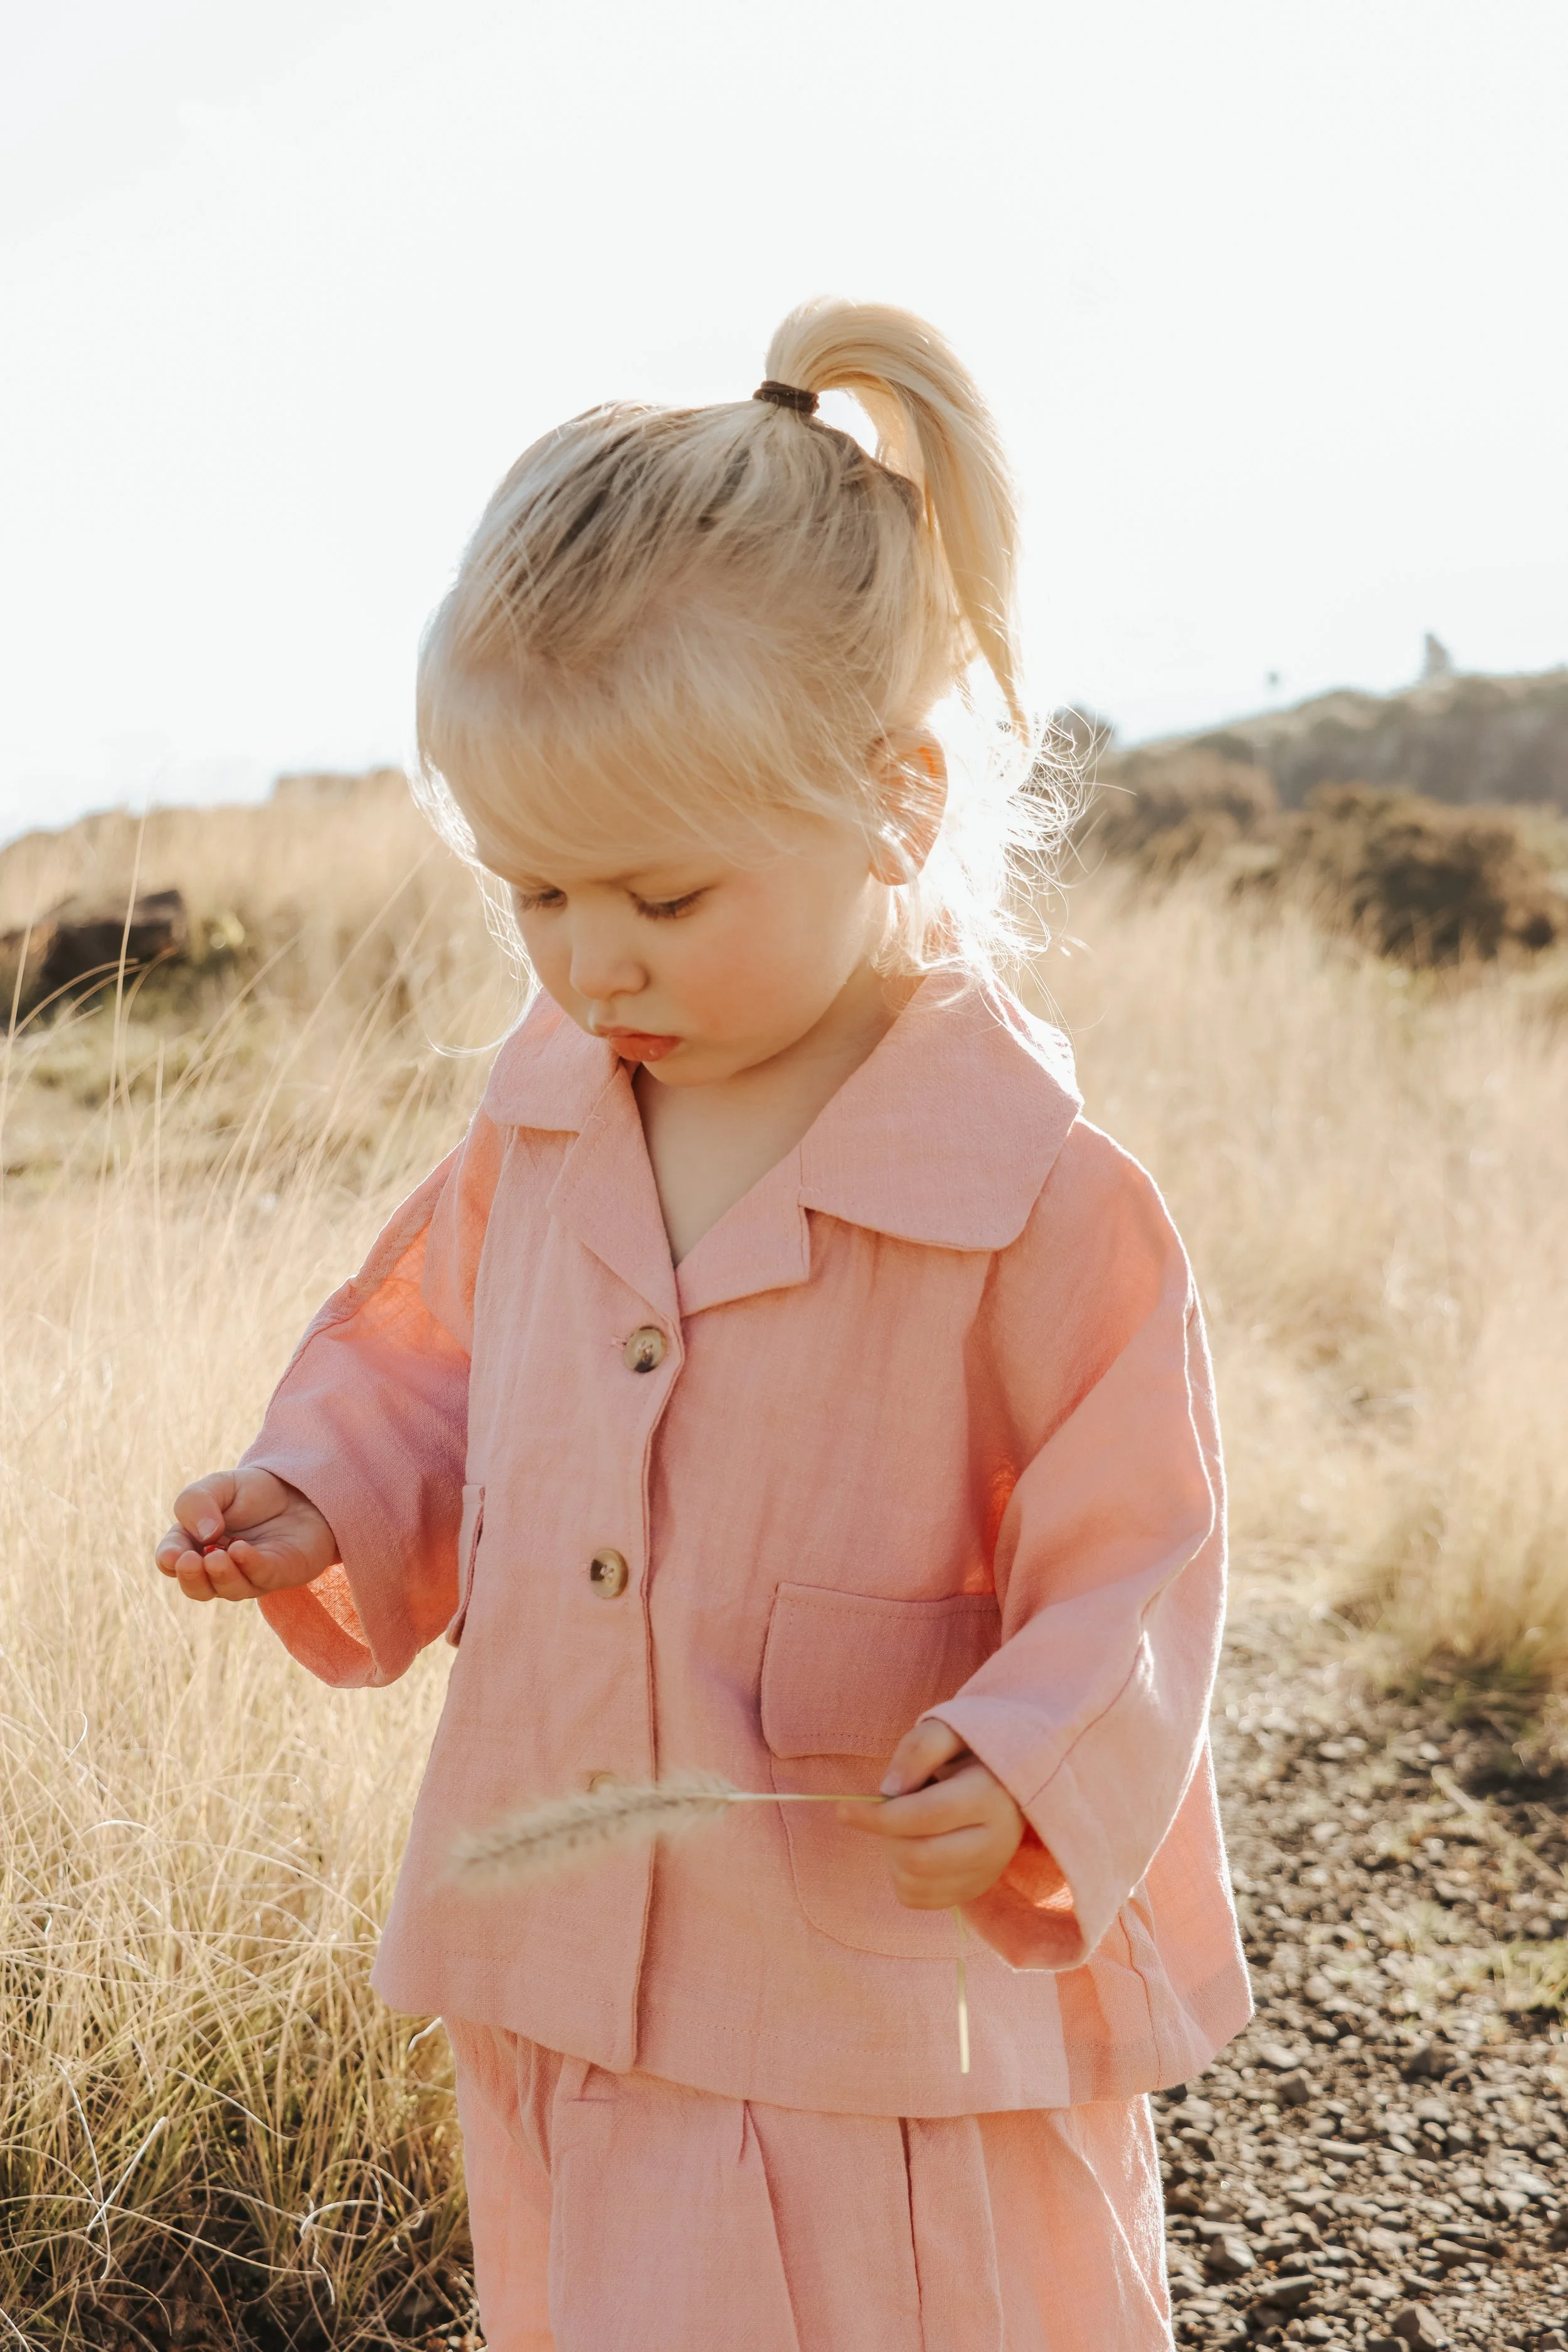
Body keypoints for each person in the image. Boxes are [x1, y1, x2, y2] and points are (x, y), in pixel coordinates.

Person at [156, 299, 1249, 2351]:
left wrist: (1029, 1754)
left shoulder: (1029, 1193)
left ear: (894, 804)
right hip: (575, 1945)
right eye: (536, 895)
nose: (592, 962)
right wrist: (328, 1490)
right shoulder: (544, 1125)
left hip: (871, 2010)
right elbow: (431, 1369)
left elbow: (1140, 1549)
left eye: (660, 898)